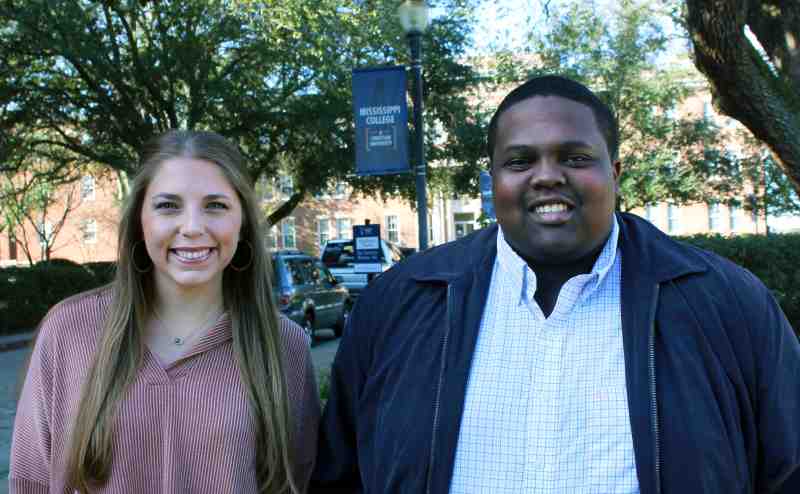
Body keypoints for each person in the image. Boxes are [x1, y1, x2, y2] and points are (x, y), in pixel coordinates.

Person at [311, 75, 800, 493]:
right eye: (520, 161)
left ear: (615, 172)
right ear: (493, 181)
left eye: (575, 157)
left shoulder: (726, 303)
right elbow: (340, 474)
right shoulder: (399, 304)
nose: (547, 177)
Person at [10, 131, 320, 493]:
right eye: (168, 205)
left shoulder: (284, 346)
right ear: (140, 220)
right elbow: (30, 481)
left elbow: (297, 480)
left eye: (215, 205)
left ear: (243, 223)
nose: (191, 227)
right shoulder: (68, 330)